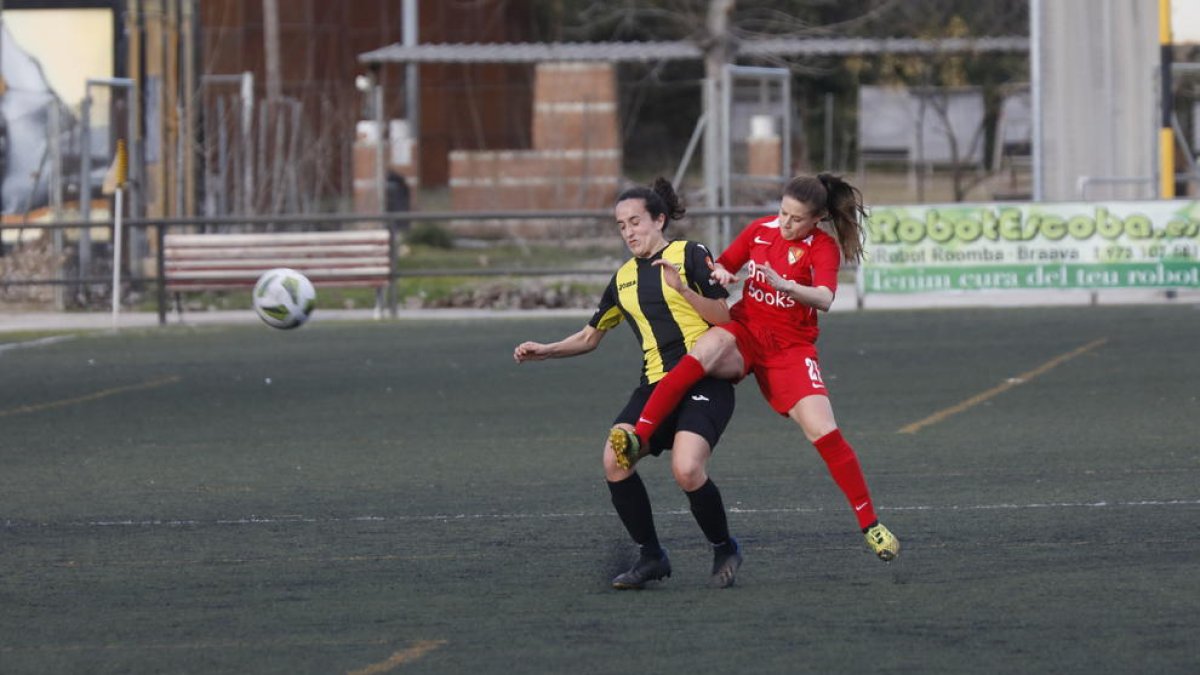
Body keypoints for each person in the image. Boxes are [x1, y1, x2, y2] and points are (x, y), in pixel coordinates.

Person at [609, 173, 901, 562]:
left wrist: (787, 286)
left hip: (789, 350)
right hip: (746, 331)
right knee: (706, 346)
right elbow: (725, 267)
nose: (785, 223)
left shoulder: (823, 248)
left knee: (823, 430)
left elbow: (825, 298)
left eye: (796, 219)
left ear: (816, 220)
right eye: (782, 213)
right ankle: (639, 434)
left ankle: (870, 524)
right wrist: (723, 274)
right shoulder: (760, 230)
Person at [513, 177, 745, 589]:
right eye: (621, 226)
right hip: (654, 387)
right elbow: (589, 337)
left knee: (687, 469)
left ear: (659, 220)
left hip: (703, 380)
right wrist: (545, 350)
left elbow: (726, 318)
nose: (629, 232)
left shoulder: (689, 254)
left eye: (635, 221)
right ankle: (651, 556)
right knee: (614, 460)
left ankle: (724, 547)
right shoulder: (622, 279)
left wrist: (681, 290)